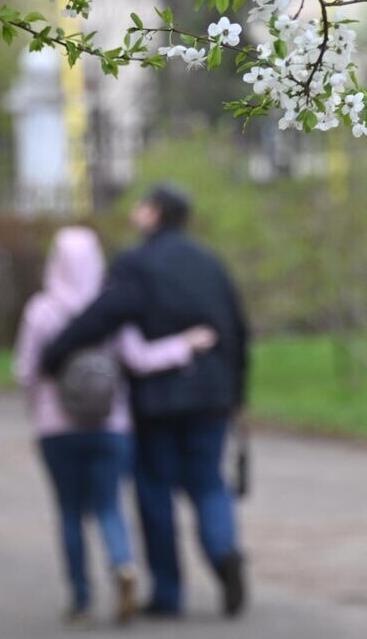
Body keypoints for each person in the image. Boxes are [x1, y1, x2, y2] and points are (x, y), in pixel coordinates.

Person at [40, 185, 251, 619]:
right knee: (209, 483)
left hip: (157, 400)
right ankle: (223, 551)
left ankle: (168, 594)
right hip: (211, 394)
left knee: (155, 493)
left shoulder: (136, 265)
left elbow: (101, 316)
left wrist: (53, 354)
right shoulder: (210, 263)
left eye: (141, 207)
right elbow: (238, 330)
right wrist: (237, 396)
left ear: (154, 214)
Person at [14, 227, 218, 625]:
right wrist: (185, 344)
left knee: (70, 512)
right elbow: (139, 359)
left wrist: (38, 411)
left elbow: (26, 371)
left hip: (56, 429)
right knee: (109, 506)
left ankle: (80, 600)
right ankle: (123, 565)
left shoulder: (41, 310)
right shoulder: (111, 307)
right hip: (112, 425)